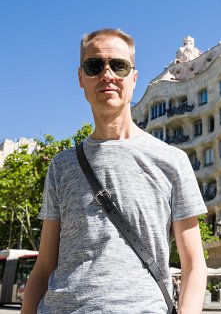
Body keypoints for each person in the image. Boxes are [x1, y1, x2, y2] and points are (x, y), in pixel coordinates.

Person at [21, 28, 208, 313]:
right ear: (81, 77)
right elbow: (45, 266)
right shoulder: (61, 166)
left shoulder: (173, 161)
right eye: (95, 66)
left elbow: (194, 264)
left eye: (118, 66)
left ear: (133, 77)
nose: (107, 75)